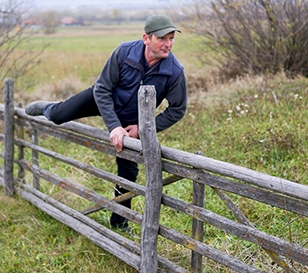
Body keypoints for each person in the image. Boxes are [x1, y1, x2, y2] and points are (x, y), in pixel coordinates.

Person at [25, 14, 188, 232]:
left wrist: (142, 128)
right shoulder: (124, 52)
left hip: (132, 120)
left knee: (128, 172)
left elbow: (178, 109)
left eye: (171, 38)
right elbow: (102, 88)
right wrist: (113, 126)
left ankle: (119, 222)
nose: (168, 44)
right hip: (103, 99)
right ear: (146, 39)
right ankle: (47, 108)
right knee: (58, 115)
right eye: (162, 38)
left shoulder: (174, 72)